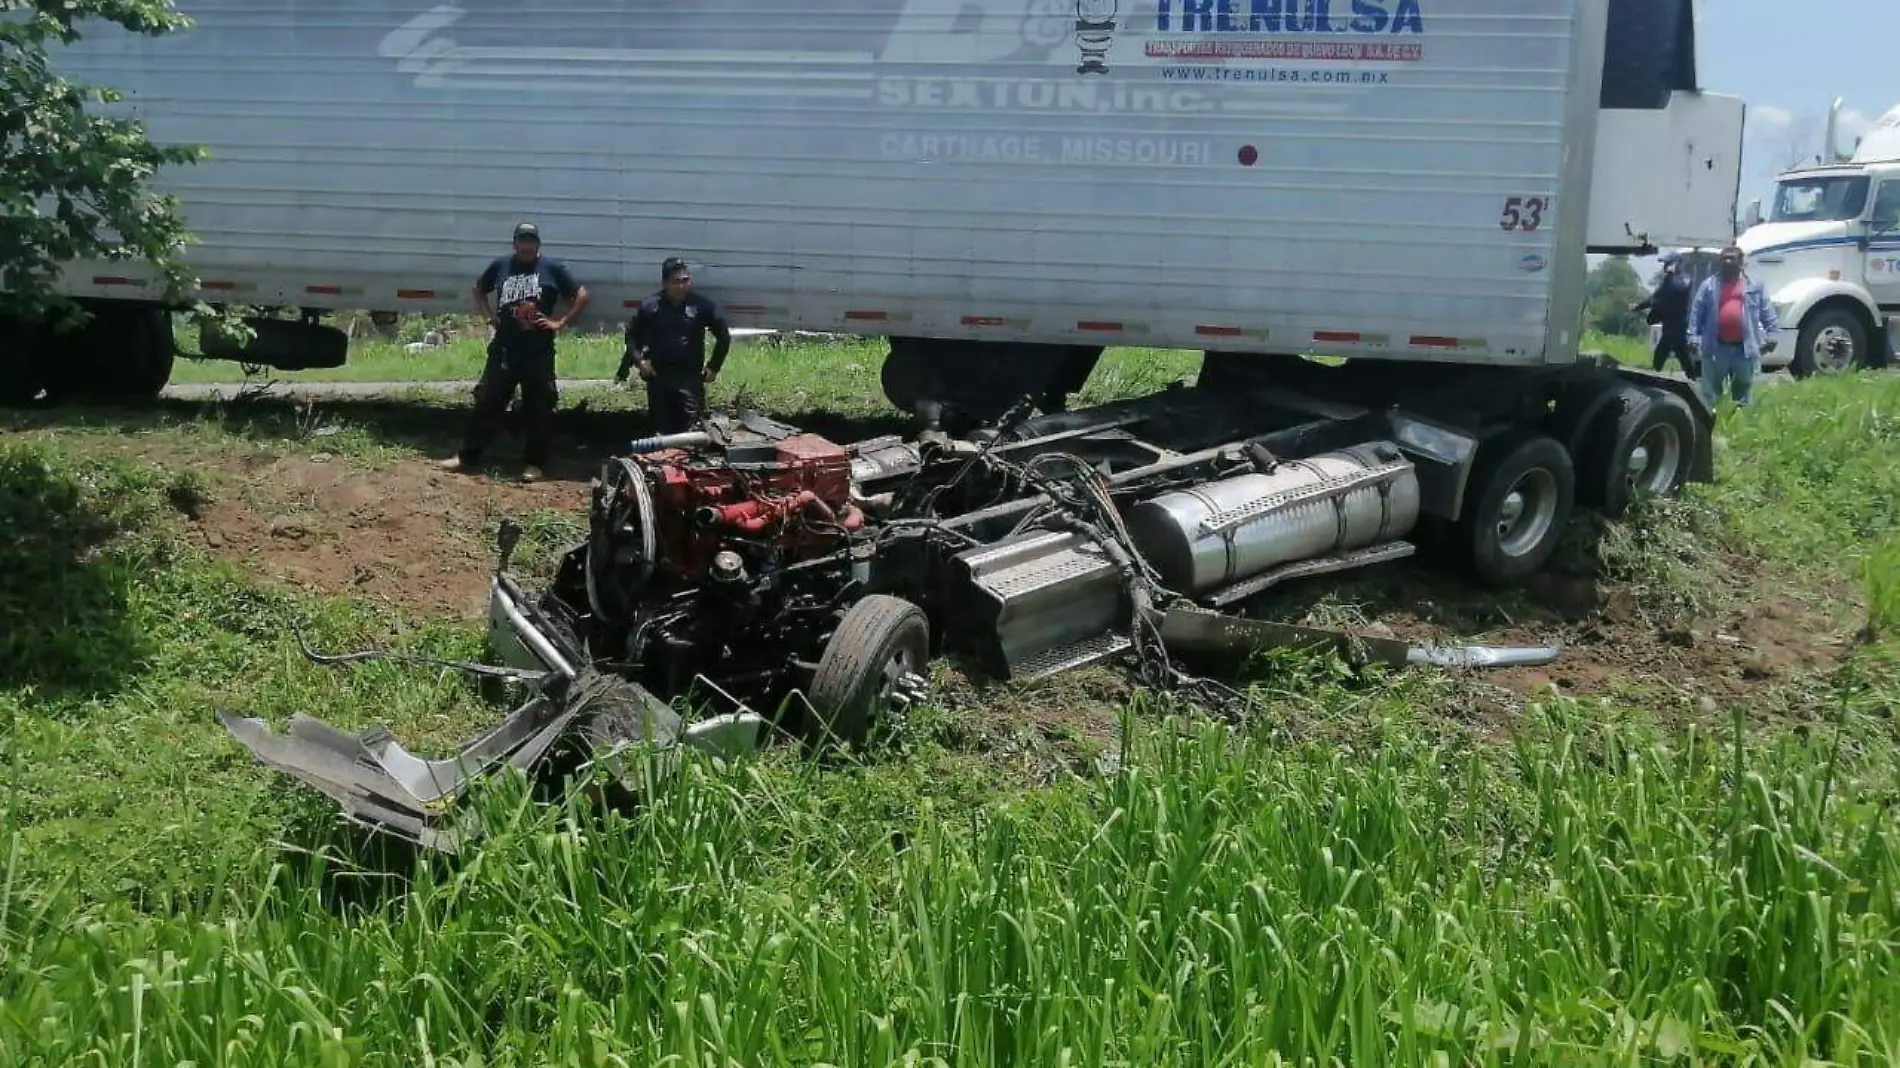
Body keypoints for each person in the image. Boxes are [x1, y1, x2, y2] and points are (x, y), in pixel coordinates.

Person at [440, 222, 589, 482]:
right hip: (505, 348)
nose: (527, 245)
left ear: (538, 244)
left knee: (539, 407)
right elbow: (478, 289)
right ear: (514, 243)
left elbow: (582, 295)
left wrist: (559, 322)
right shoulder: (501, 266)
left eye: (531, 240)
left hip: (538, 351)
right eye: (523, 240)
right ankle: (467, 456)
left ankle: (534, 463)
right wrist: (490, 318)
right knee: (488, 401)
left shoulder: (551, 268)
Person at [616, 257, 732, 434]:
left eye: (685, 281)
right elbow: (631, 337)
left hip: (690, 378)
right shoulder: (650, 307)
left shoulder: (701, 306)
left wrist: (714, 366)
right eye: (675, 282)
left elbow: (724, 336)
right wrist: (640, 362)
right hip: (659, 378)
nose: (681, 286)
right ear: (665, 283)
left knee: (692, 431)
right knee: (662, 431)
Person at [1688, 245, 1778, 410]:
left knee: (1743, 392)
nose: (1728, 261)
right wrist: (1693, 337)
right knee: (1710, 393)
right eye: (1724, 258)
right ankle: (1711, 423)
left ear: (1741, 262)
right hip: (1717, 347)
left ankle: (1740, 426)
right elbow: (1697, 313)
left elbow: (1767, 311)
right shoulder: (1708, 285)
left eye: (1732, 258)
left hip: (1743, 349)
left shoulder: (1754, 285)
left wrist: (1772, 335)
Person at [1631, 251, 1696, 378]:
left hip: (1678, 327)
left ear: (1677, 263)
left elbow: (1679, 288)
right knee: (1681, 354)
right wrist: (1638, 307)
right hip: (1668, 325)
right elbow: (1655, 298)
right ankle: (1691, 378)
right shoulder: (1667, 280)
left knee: (1665, 354)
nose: (1665, 266)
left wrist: (1671, 275)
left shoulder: (1684, 279)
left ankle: (1657, 378)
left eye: (1668, 263)